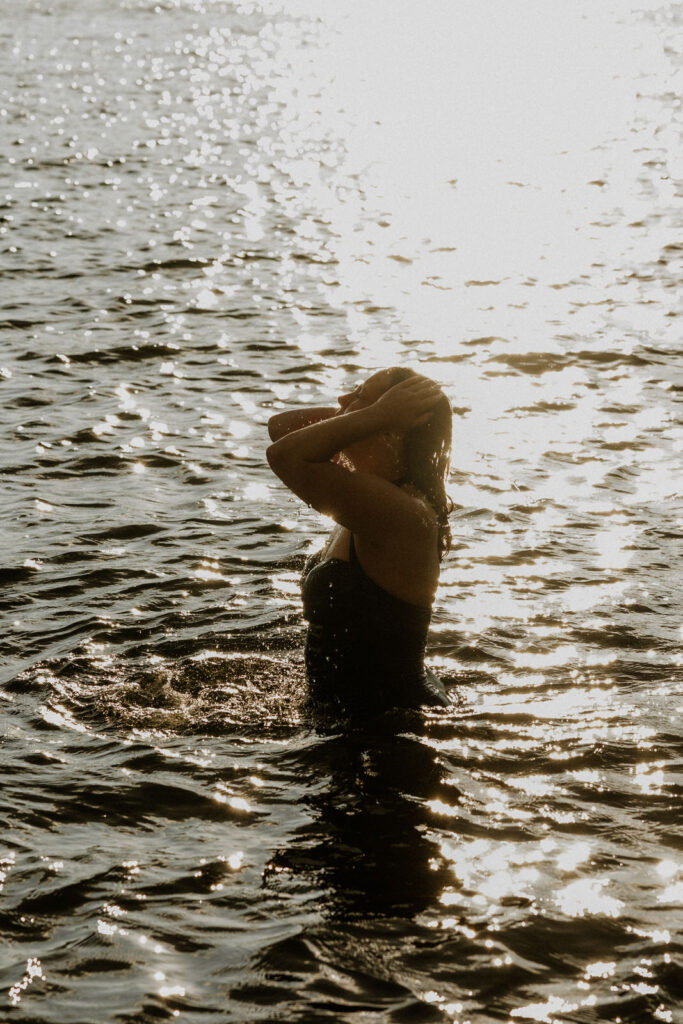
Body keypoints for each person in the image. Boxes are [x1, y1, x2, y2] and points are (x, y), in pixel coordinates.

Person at [266, 367, 453, 713]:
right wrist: (372, 412)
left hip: (392, 726)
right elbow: (280, 428)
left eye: (359, 396)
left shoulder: (403, 512)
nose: (342, 400)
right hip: (356, 717)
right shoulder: (366, 488)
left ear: (389, 428)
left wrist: (378, 414)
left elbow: (284, 455)